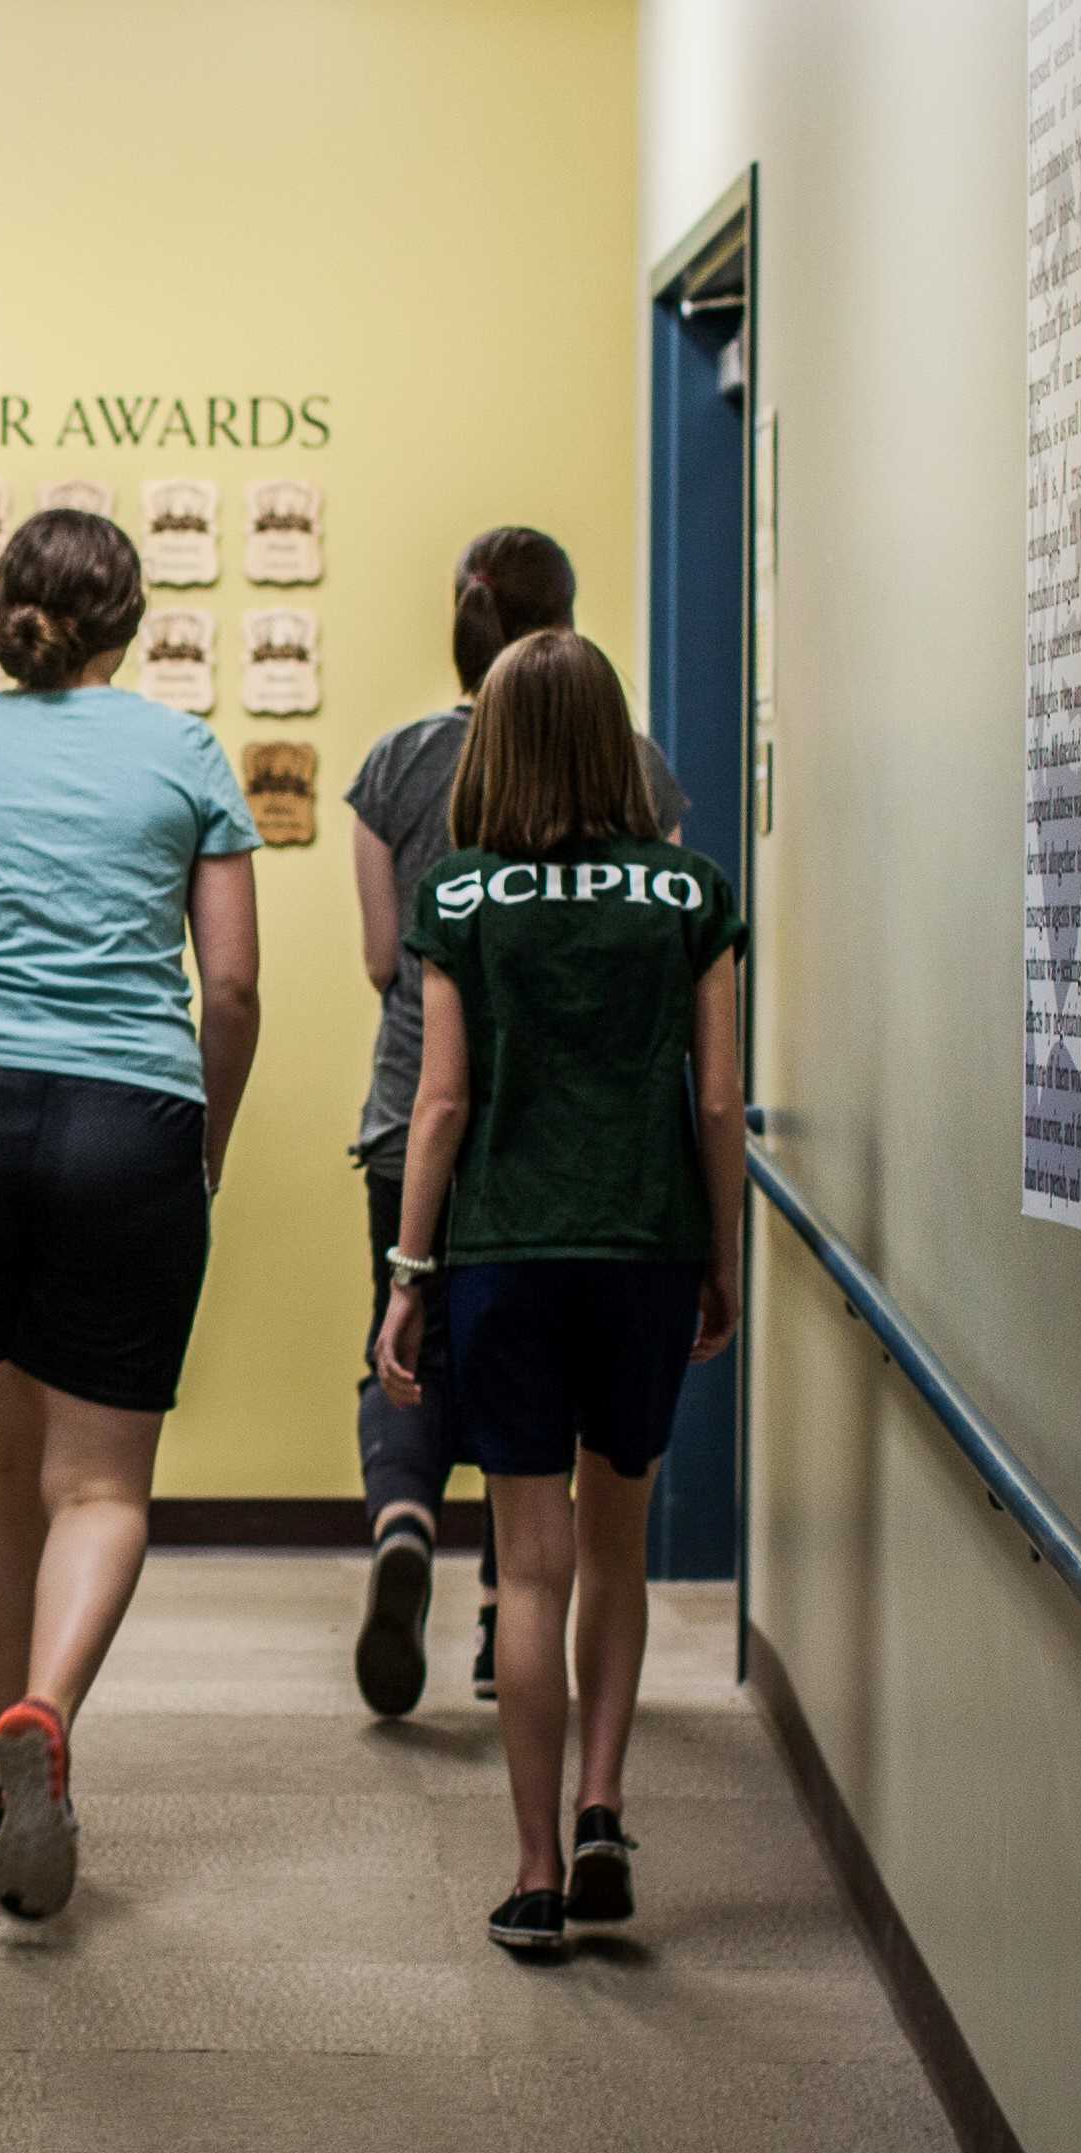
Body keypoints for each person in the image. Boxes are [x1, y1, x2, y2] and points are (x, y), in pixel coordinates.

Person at [0, 509, 261, 1919]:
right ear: (132, 620)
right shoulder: (184, 752)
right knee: (102, 1484)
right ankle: (52, 1715)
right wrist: (203, 1144)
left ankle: (5, 1734)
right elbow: (237, 989)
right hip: (126, 1122)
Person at [368, 631, 747, 1956]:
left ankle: (533, 1876)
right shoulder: (691, 894)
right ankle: (603, 1806)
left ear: (498, 747)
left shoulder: (462, 901)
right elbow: (715, 1098)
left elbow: (443, 1102)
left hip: (507, 1257)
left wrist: (408, 1276)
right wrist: (723, 1260)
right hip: (643, 1250)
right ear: (614, 742)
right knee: (616, 1548)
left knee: (528, 1568)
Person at [339, 528, 679, 1716]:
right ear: (569, 624)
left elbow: (385, 959)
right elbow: (663, 966)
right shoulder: (635, 769)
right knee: (546, 1398)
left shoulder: (394, 765)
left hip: (415, 1110)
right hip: (590, 1145)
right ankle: (502, 1618)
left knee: (412, 1347)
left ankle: (402, 1524)